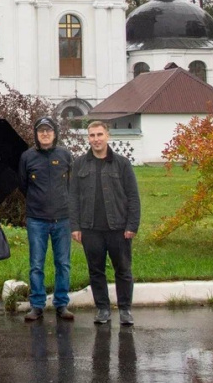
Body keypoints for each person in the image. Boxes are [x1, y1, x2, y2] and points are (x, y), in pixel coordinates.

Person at [70, 120, 141, 325]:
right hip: (90, 228)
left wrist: (131, 225)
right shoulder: (80, 164)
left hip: (118, 228)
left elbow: (133, 197)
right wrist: (75, 226)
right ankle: (102, 308)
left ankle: (125, 309)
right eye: (92, 135)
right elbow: (73, 197)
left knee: (123, 270)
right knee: (96, 270)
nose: (96, 139)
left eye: (99, 135)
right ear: (88, 138)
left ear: (107, 136)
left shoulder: (122, 164)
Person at [19, 116, 74, 322]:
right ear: (36, 134)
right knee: (36, 264)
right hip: (37, 220)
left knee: (63, 263)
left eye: (48, 131)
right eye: (41, 131)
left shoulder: (65, 155)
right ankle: (37, 305)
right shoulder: (27, 157)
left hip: (63, 219)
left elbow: (72, 184)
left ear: (55, 133)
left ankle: (61, 304)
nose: (45, 134)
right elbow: (23, 185)